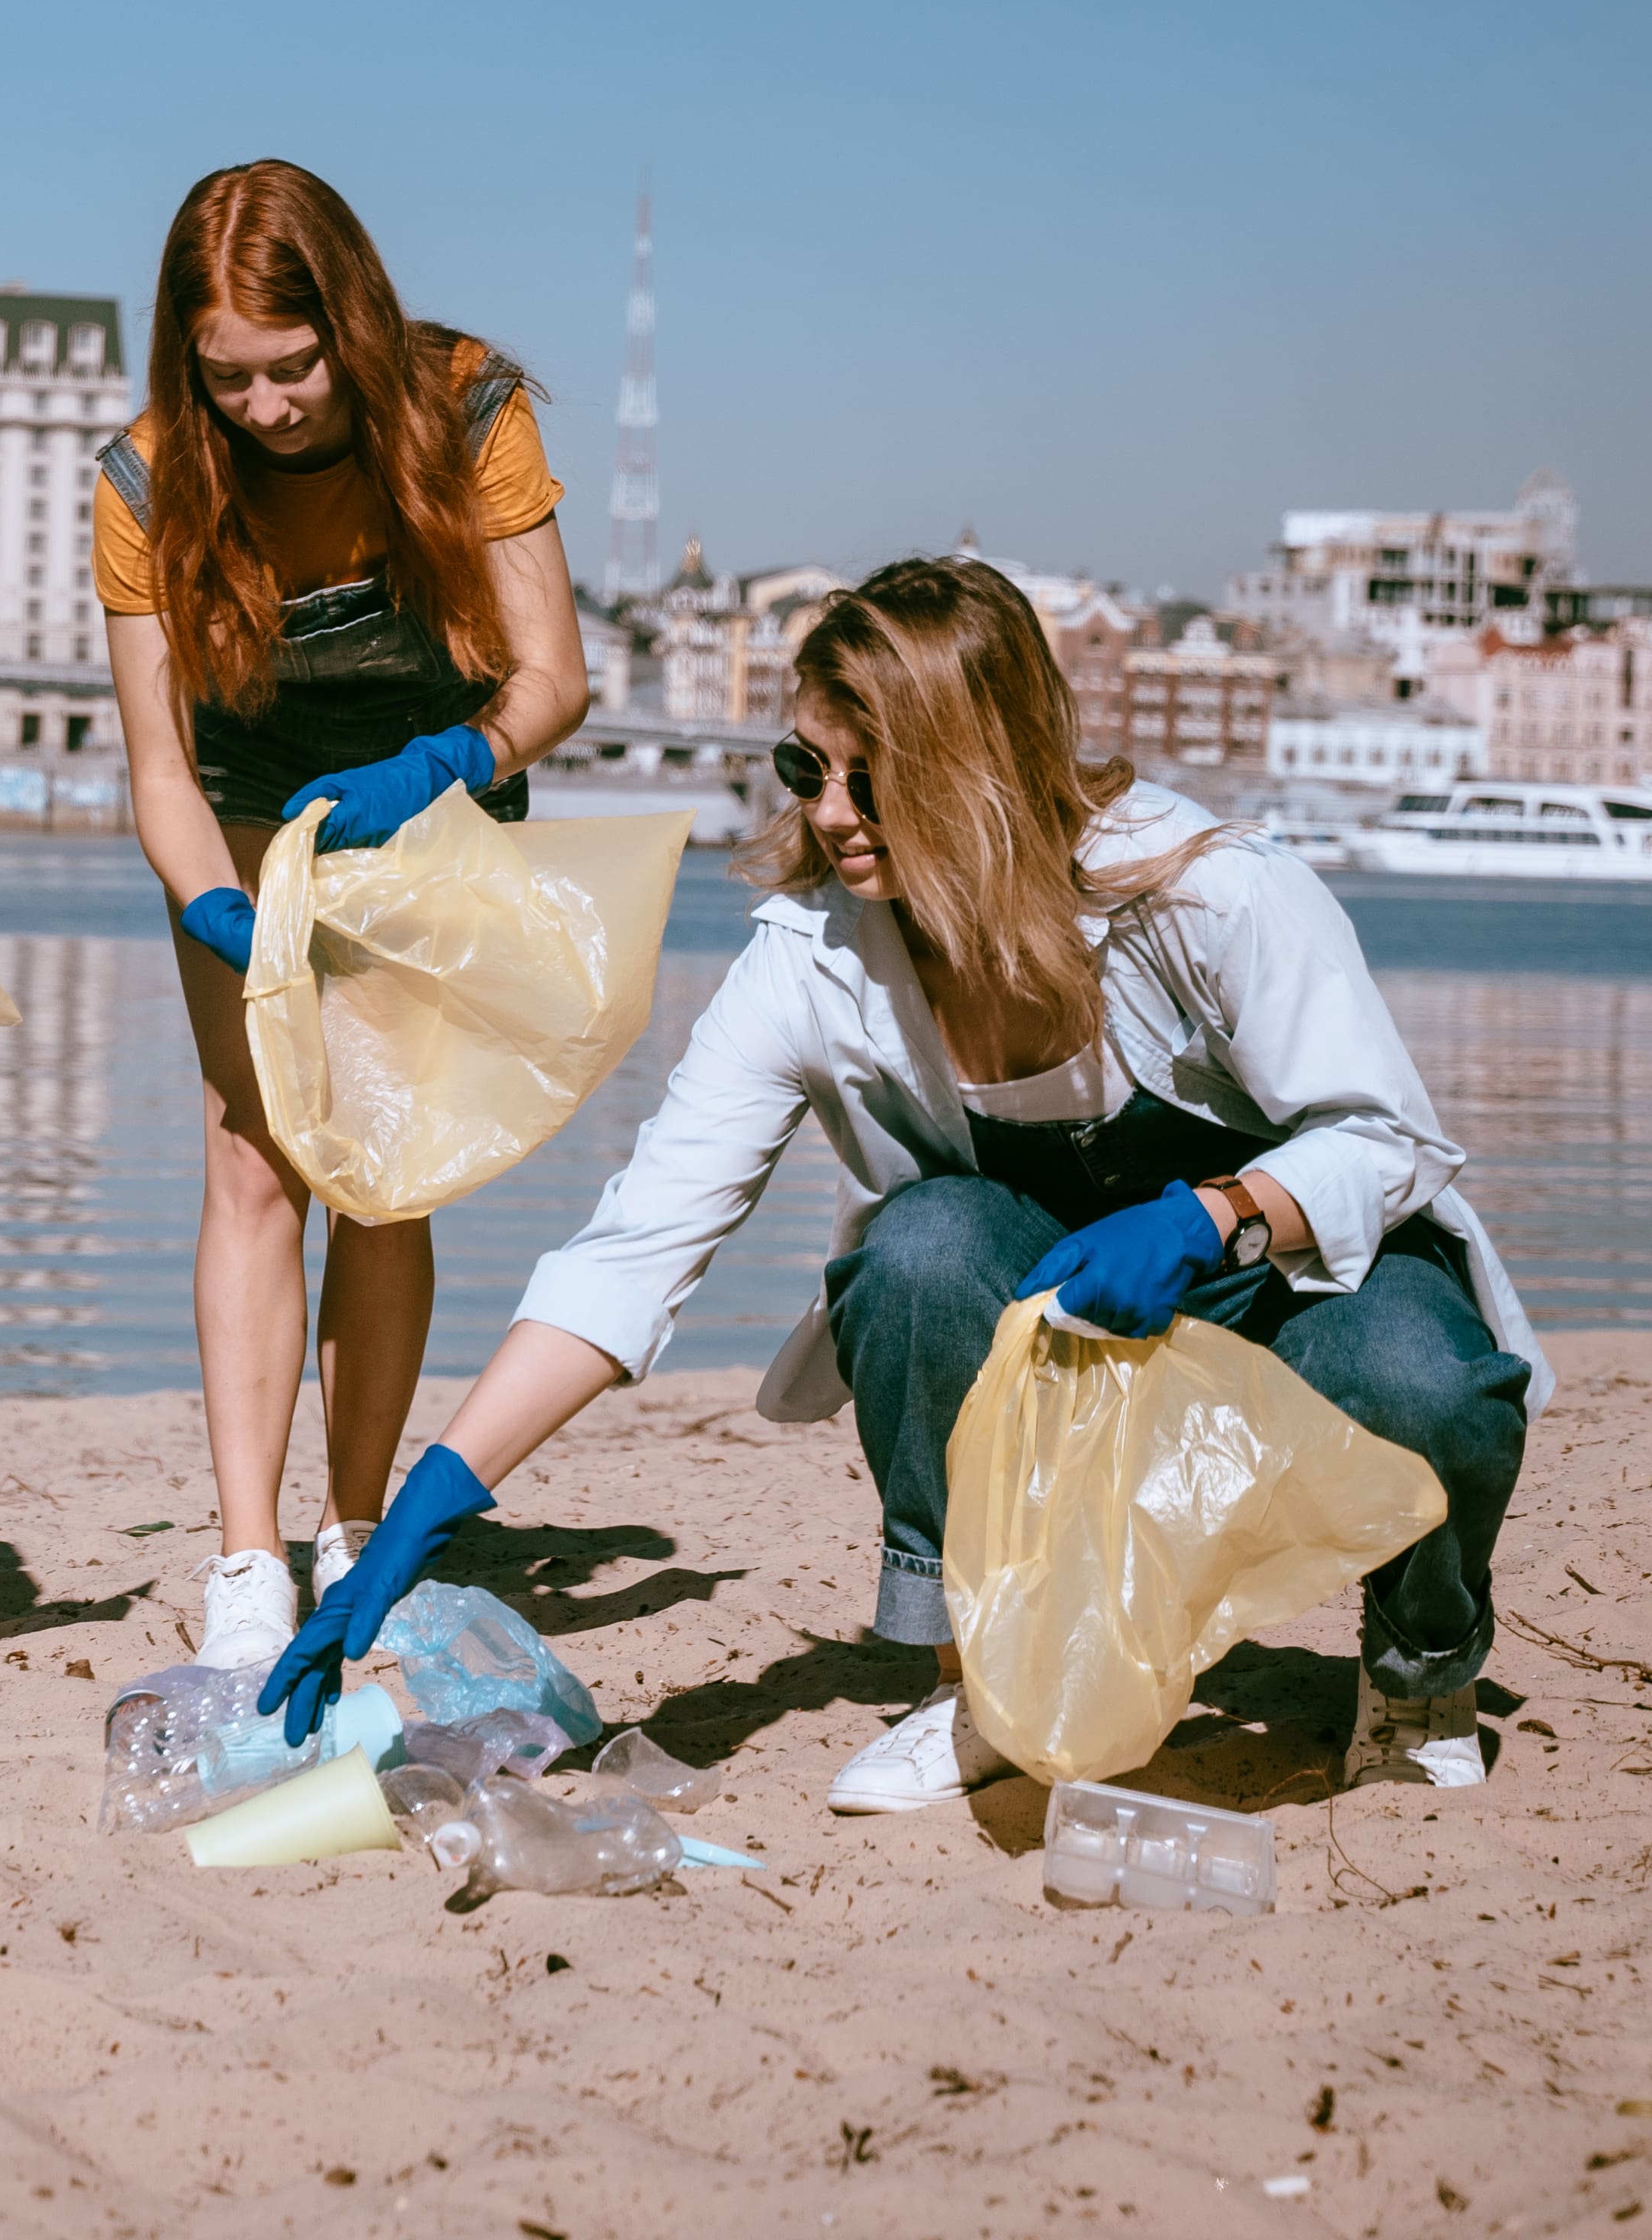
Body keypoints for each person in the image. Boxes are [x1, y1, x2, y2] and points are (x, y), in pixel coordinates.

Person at [258, 555, 1547, 1801]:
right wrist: (431, 1502)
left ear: (981, 769)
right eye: (806, 769)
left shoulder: (1213, 894)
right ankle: (974, 1681)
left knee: (1424, 1380)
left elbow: (1393, 1141)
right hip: (1056, 1334)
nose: (828, 815)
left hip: (1283, 1295)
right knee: (922, 1248)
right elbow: (636, 1247)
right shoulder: (810, 959)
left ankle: (1420, 1673)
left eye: (873, 782)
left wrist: (1219, 1212)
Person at [95, 159, 589, 1672]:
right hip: (241, 791)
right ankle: (247, 1551)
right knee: (254, 1153)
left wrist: (450, 760)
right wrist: (216, 902)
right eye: (226, 375)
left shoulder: (469, 405)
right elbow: (157, 768)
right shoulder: (144, 476)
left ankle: (354, 1519)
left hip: (431, 784)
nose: (267, 405)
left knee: (383, 1165)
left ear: (350, 325)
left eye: (294, 365)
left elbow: (552, 678)